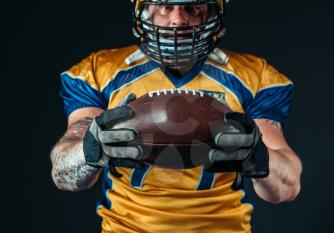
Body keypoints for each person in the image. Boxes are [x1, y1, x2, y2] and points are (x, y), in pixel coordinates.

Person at [50, 0, 302, 232]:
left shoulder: (253, 76)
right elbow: (63, 174)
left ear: (214, 11)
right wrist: (90, 151)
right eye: (164, 6)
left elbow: (287, 188)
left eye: (193, 8)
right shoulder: (99, 71)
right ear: (143, 9)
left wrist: (258, 157)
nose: (178, 20)